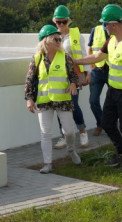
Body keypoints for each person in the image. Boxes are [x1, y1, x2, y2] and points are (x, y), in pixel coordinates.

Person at [75, 4, 122, 167]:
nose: (104, 27)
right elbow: (97, 56)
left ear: (113, 24)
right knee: (107, 123)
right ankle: (121, 153)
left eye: (105, 24)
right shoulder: (111, 41)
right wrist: (74, 61)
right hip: (113, 91)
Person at [25, 24, 83, 173]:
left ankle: (71, 150)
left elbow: (74, 75)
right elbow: (30, 80)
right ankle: (48, 163)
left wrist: (73, 84)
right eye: (56, 39)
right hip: (44, 101)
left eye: (60, 39)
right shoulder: (37, 59)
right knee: (45, 133)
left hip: (63, 100)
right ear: (46, 41)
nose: (59, 42)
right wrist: (29, 99)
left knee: (69, 131)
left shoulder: (66, 57)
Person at [50, 5, 90, 150]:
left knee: (73, 105)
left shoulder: (76, 36)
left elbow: (83, 54)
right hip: (58, 77)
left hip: (74, 75)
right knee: (60, 106)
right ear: (54, 22)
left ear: (68, 21)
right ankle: (64, 137)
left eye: (63, 22)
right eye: (58, 22)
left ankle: (83, 132)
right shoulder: (52, 36)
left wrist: (87, 72)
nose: (61, 25)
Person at [88, 21, 109, 136]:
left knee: (115, 101)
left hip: (112, 70)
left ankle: (112, 125)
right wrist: (92, 65)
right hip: (97, 70)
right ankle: (101, 124)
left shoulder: (117, 30)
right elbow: (90, 47)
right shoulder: (95, 29)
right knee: (93, 100)